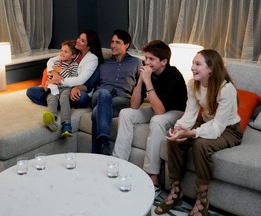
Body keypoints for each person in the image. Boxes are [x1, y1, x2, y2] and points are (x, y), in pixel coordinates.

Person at [154, 49, 243, 216]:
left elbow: (217, 127)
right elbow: (190, 114)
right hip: (207, 122)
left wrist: (192, 133)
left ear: (211, 69)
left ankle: (202, 200)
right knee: (173, 138)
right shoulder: (192, 84)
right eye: (193, 63)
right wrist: (179, 128)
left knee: (200, 144)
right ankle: (176, 191)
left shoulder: (226, 89)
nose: (192, 67)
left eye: (197, 64)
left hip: (229, 129)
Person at [112, 40, 187, 197]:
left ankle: (153, 178)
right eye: (146, 58)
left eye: (152, 59)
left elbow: (160, 112)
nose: (147, 62)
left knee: (157, 120)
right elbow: (134, 106)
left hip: (176, 112)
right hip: (157, 109)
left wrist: (147, 81)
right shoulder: (148, 74)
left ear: (164, 61)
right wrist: (140, 82)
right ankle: (119, 163)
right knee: (126, 113)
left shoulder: (174, 75)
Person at [70, 29, 142, 155]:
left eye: (117, 42)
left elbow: (141, 87)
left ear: (126, 45)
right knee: (104, 94)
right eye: (112, 42)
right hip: (99, 97)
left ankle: (97, 154)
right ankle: (104, 142)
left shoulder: (136, 62)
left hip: (122, 102)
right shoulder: (103, 63)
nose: (113, 45)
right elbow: (89, 85)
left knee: (97, 113)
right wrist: (76, 88)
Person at [26, 29, 104, 108]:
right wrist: (55, 74)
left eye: (82, 41)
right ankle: (60, 102)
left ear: (89, 46)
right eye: (79, 38)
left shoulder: (92, 58)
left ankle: (54, 101)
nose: (78, 41)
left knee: (82, 98)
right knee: (31, 91)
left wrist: (58, 81)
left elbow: (80, 80)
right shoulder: (75, 50)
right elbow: (51, 60)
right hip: (59, 86)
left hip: (76, 89)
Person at [42, 40, 79, 137]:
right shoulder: (57, 62)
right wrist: (47, 83)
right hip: (54, 87)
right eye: (61, 50)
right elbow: (51, 77)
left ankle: (66, 125)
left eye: (66, 52)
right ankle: (51, 118)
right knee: (51, 99)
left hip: (66, 88)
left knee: (64, 99)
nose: (62, 53)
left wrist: (59, 70)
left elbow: (72, 78)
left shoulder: (74, 66)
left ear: (73, 55)